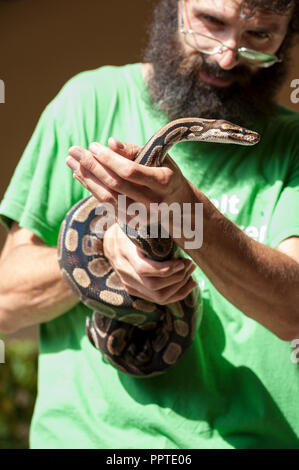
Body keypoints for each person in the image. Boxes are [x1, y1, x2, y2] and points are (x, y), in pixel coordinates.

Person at [0, 0, 299, 449]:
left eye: (260, 36)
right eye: (210, 22)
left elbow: (293, 309)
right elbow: (6, 301)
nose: (226, 55)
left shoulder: (291, 145)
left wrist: (184, 211)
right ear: (175, 6)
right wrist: (105, 248)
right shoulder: (89, 101)